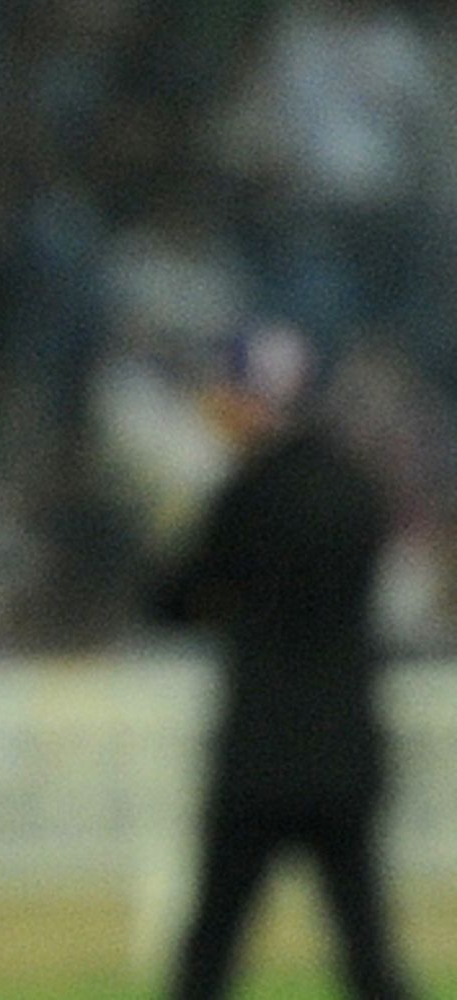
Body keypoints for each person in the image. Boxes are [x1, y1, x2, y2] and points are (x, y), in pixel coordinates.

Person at [155, 326, 413, 999]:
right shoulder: (357, 491)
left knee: (209, 956)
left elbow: (173, 602)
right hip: (345, 751)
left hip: (259, 760)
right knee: (368, 955)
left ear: (254, 399)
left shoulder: (241, 498)